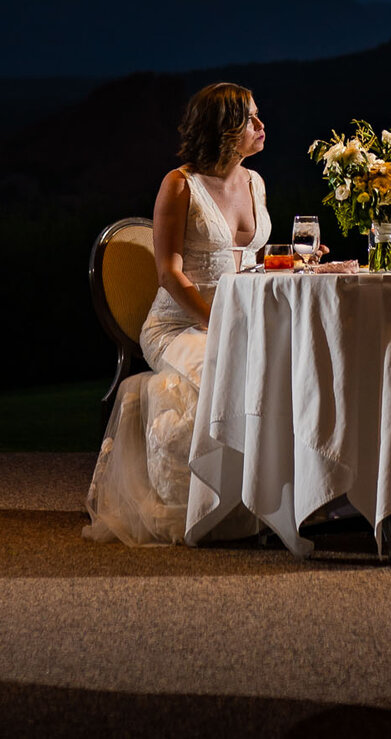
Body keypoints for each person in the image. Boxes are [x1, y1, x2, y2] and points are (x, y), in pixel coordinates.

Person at [84, 82, 270, 544]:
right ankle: (214, 509)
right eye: (250, 119)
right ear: (225, 129)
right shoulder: (179, 185)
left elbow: (247, 260)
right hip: (180, 324)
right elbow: (169, 274)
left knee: (289, 367)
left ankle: (273, 501)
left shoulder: (255, 182)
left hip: (239, 320)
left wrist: (292, 261)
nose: (261, 126)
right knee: (231, 371)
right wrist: (218, 322)